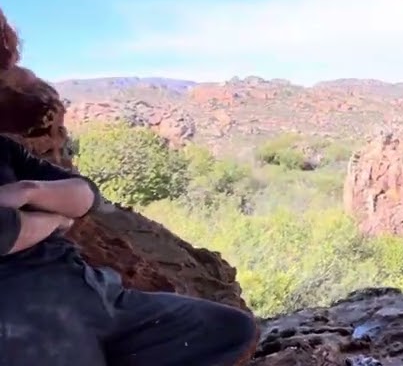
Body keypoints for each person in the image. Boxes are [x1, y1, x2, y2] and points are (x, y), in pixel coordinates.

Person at [0, 134, 259, 366]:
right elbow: (8, 232)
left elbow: (86, 197)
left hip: (92, 288)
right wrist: (57, 218)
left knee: (229, 330)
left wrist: (29, 190)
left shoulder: (4, 149)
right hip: (24, 309)